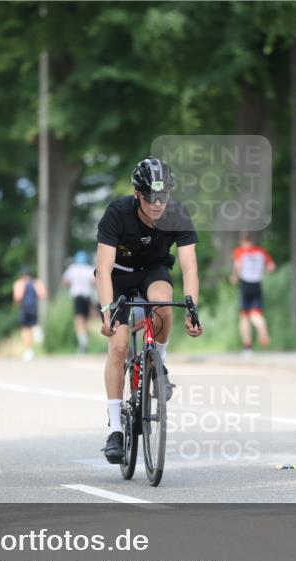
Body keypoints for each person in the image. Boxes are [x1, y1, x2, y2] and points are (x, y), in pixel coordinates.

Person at [95, 156, 203, 464]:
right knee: (118, 346)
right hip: (118, 276)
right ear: (137, 194)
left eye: (163, 197)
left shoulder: (177, 213)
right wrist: (107, 311)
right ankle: (116, 430)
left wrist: (192, 308)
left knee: (164, 305)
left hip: (152, 272)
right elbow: (103, 269)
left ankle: (160, 364)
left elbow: (189, 266)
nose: (157, 204)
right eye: (150, 197)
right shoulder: (117, 213)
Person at [231, 231, 275, 354]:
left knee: (244, 316)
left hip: (245, 284)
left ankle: (247, 346)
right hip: (257, 284)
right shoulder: (261, 252)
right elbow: (272, 266)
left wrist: (235, 277)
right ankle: (262, 328)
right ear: (252, 241)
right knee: (256, 313)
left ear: (242, 241)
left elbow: (238, 265)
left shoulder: (240, 251)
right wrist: (262, 272)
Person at [61, 251, 96, 353]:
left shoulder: (72, 269)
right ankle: (85, 341)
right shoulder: (90, 269)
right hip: (87, 296)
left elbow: (65, 282)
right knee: (86, 320)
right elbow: (94, 282)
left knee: (79, 320)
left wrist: (71, 285)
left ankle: (82, 343)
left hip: (77, 296)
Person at [13, 266, 47, 361]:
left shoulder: (19, 284)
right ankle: (37, 331)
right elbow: (43, 294)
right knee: (34, 324)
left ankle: (29, 350)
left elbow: (17, 298)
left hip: (25, 309)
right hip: (34, 308)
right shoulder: (36, 283)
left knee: (25, 330)